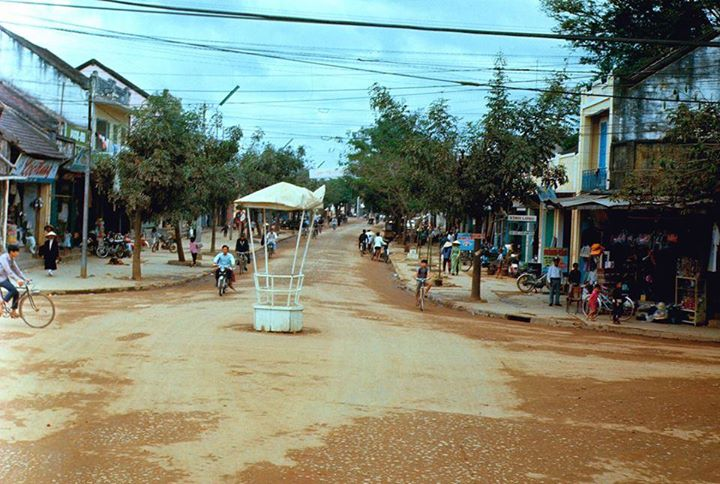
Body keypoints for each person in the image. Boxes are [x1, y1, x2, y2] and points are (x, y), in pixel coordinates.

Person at [0, 244, 27, 318]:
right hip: (0, 278)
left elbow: (17, 270)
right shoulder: (3, 258)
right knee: (13, 290)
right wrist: (17, 280)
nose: (18, 253)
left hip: (3, 277)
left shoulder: (11, 259)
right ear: (11, 252)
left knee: (16, 292)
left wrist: (24, 278)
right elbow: (9, 271)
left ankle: (13, 311)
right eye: (17, 251)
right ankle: (1, 303)